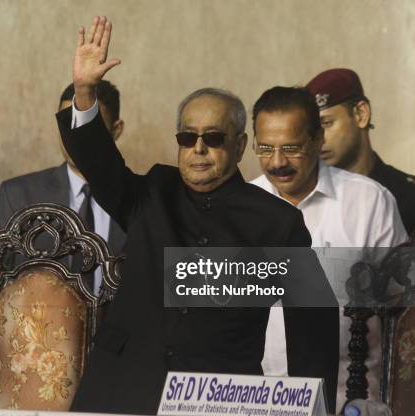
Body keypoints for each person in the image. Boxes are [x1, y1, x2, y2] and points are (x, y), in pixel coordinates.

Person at [57, 16, 339, 414]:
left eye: (214, 138)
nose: (199, 149)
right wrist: (85, 91)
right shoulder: (151, 193)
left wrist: (314, 406)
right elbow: (96, 160)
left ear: (240, 145)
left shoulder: (277, 222)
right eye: (188, 137)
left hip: (219, 398)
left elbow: (312, 325)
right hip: (123, 388)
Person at [249, 86, 408, 411]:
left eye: (291, 148)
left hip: (349, 400)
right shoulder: (243, 205)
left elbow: (402, 308)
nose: (277, 162)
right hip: (257, 398)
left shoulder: (368, 202)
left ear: (318, 139)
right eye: (265, 148)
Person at [0, 81, 126, 294]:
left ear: (116, 130)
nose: (75, 137)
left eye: (89, 125)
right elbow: (0, 290)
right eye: (68, 124)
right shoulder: (19, 196)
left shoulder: (146, 201)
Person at [306, 68, 415, 235]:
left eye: (326, 123)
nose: (318, 139)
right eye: (312, 130)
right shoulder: (304, 197)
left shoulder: (408, 196)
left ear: (361, 114)